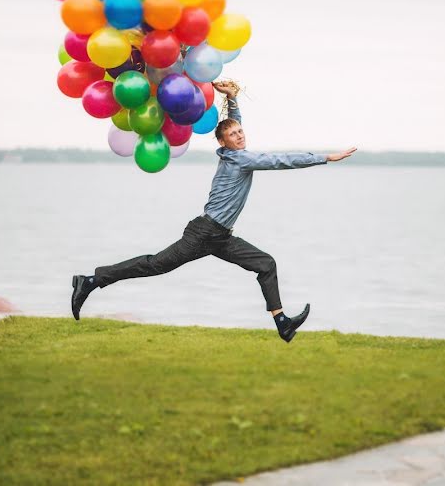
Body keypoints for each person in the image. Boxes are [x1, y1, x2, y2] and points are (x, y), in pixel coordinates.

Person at [71, 80, 357, 343]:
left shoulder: (236, 151)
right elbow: (280, 160)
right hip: (204, 233)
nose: (239, 136)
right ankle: (93, 280)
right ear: (223, 142)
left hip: (220, 236)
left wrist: (232, 99)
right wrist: (325, 158)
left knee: (265, 264)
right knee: (156, 264)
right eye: (233, 135)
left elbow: (234, 123)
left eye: (240, 132)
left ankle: (282, 323)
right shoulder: (239, 160)